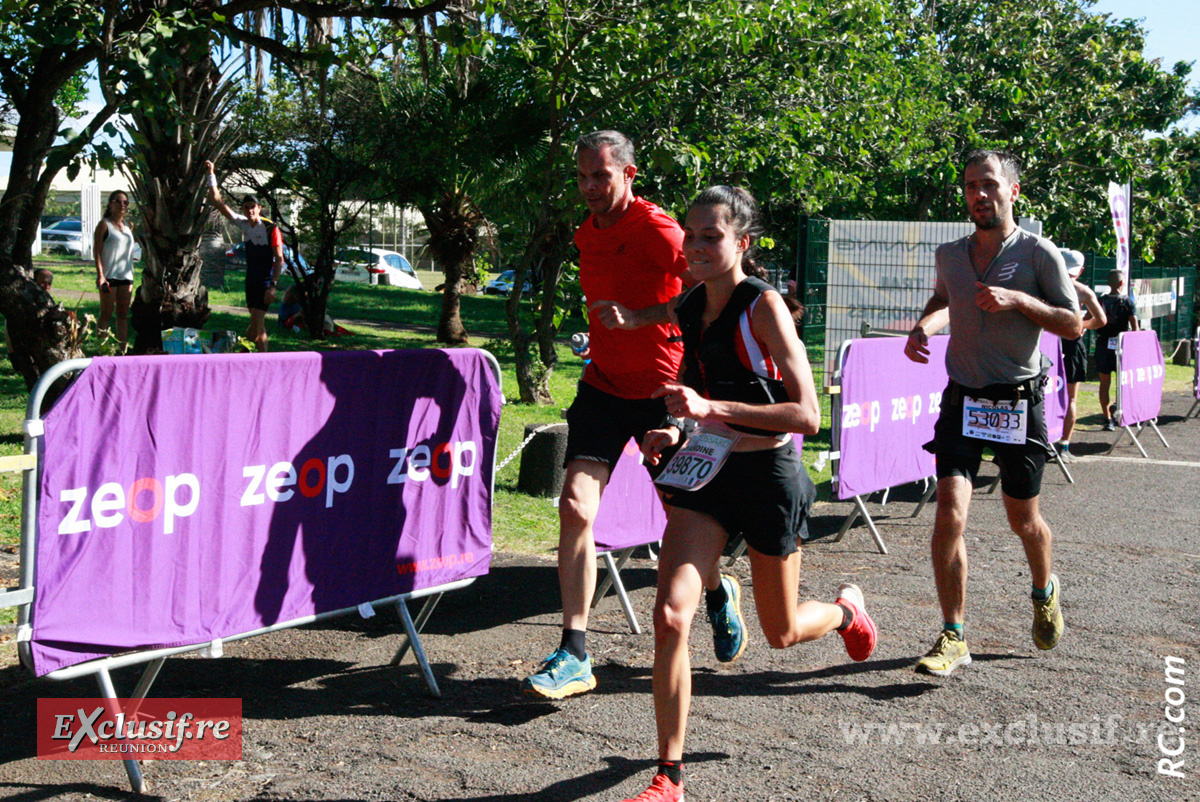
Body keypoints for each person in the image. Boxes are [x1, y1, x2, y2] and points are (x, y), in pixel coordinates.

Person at [607, 186, 876, 802]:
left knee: (780, 633)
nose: (697, 247)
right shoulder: (691, 304)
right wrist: (674, 425)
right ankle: (669, 777)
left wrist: (712, 407)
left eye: (712, 237)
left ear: (741, 243)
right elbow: (693, 393)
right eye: (691, 235)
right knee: (671, 614)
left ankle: (844, 612)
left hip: (769, 477)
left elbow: (808, 416)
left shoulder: (764, 307)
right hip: (710, 474)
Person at [520, 131, 744, 700]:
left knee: (680, 519)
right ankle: (574, 650)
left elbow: (709, 284)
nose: (590, 187)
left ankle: (717, 592)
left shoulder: (658, 228)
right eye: (582, 177)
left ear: (629, 174)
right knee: (574, 505)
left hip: (660, 393)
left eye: (601, 176)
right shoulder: (584, 233)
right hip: (601, 386)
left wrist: (640, 318)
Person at [904, 149, 1081, 677]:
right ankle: (953, 634)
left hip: (1017, 401)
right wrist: (923, 328)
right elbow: (943, 301)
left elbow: (1073, 324)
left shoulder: (1039, 254)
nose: (979, 195)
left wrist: (1019, 302)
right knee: (949, 514)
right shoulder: (950, 254)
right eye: (970, 187)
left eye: (989, 185)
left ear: (1013, 192)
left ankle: (1044, 591)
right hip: (962, 397)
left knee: (1022, 520)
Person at [204, 160, 283, 351]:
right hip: (251, 280)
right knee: (257, 324)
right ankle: (243, 354)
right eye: (246, 207)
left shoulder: (271, 228)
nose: (250, 210)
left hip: (265, 281)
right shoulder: (243, 223)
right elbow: (218, 202)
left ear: (259, 207)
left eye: (253, 207)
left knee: (257, 322)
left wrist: (273, 285)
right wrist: (211, 173)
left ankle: (250, 355)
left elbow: (279, 258)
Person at [1055, 249, 1106, 461]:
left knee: (1039, 395)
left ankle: (1036, 441)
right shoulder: (1083, 291)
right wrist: (1080, 325)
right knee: (1071, 398)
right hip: (1072, 346)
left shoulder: (1044, 285)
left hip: (1047, 346)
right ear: (1081, 270)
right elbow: (1101, 320)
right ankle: (1064, 446)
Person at [1095, 268, 1139, 431]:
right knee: (1123, 383)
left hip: (1102, 345)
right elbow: (1135, 327)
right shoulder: (1128, 302)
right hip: (1122, 347)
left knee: (1104, 383)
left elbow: (1087, 319)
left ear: (1108, 283)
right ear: (1122, 283)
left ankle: (1107, 419)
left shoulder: (1100, 301)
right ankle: (1117, 409)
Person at [93, 190, 137, 351]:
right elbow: (97, 251)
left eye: (125, 202)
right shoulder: (104, 225)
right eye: (118, 201)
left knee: (122, 316)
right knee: (106, 314)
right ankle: (102, 348)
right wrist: (101, 276)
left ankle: (122, 349)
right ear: (110, 204)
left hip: (126, 276)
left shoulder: (128, 226)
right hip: (109, 277)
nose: (122, 205)